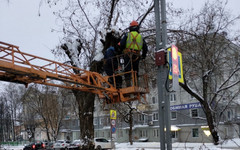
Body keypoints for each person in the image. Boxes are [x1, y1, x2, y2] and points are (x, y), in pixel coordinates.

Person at [119, 20, 148, 86]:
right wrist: (143, 56)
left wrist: (121, 51)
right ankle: (136, 83)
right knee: (135, 70)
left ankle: (128, 84)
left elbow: (122, 44)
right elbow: (145, 48)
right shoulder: (140, 37)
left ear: (130, 28)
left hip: (128, 54)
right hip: (136, 56)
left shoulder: (127, 35)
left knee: (127, 70)